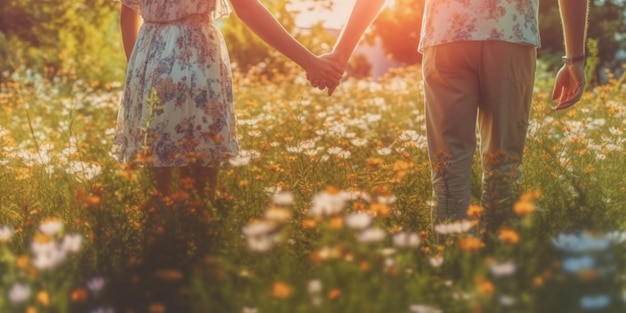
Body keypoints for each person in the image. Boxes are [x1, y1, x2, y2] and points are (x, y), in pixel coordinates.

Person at [310, 0, 589, 234]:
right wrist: (575, 59)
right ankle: (500, 271)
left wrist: (341, 52)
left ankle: (452, 268)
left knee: (448, 168)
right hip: (510, 31)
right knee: (503, 164)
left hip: (445, 34)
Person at [114, 0, 342, 202]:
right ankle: (196, 237)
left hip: (150, 56)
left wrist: (138, 75)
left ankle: (161, 241)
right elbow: (245, 7)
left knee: (158, 186)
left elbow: (127, 16)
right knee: (199, 183)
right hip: (194, 56)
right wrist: (310, 62)